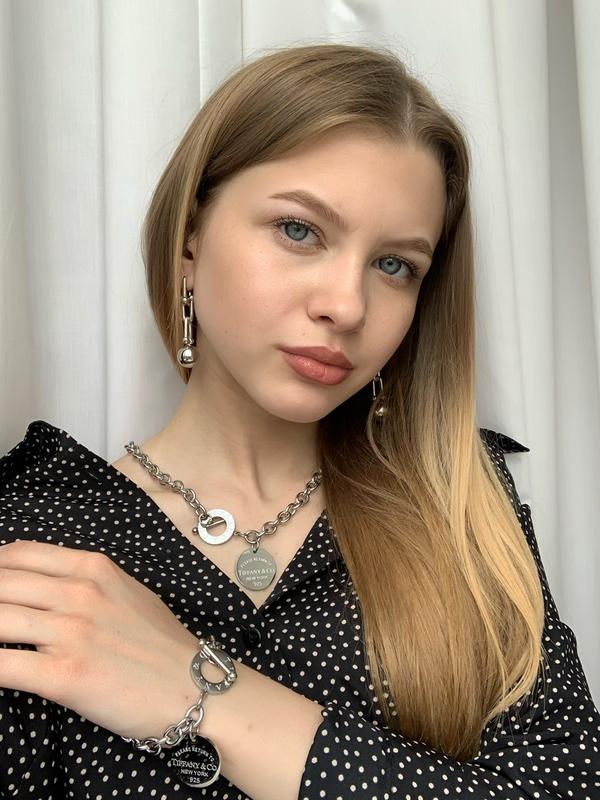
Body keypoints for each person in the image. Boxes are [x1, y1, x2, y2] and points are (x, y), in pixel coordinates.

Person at [0, 41, 598, 800]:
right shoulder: (35, 535)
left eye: (395, 266)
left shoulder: (463, 509)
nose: (346, 305)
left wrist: (203, 690)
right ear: (189, 240)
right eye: (299, 230)